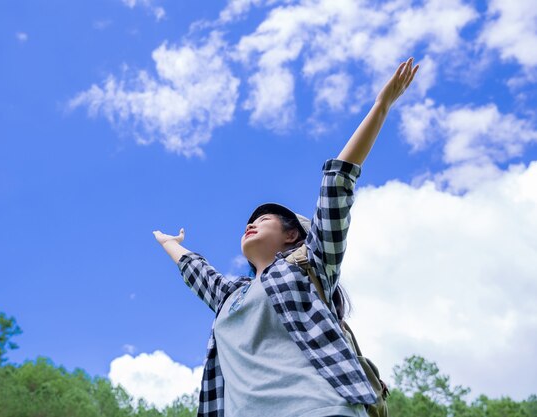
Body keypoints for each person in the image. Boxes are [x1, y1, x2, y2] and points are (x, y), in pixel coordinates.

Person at [153, 58, 419, 417]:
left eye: (263, 219)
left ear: (292, 234)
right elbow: (194, 269)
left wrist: (381, 106)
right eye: (250, 221)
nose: (251, 224)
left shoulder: (310, 266)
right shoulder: (230, 297)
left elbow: (337, 186)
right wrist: (170, 243)